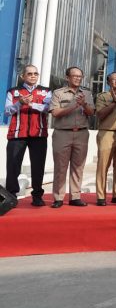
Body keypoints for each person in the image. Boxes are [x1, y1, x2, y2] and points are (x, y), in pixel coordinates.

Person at [4, 64, 51, 206]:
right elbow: (7, 111)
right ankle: (11, 196)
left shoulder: (46, 91)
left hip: (39, 134)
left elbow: (49, 108)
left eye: (35, 74)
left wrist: (32, 105)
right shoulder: (13, 92)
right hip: (17, 134)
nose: (33, 76)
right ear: (23, 76)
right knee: (13, 166)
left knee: (38, 166)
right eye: (29, 74)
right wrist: (19, 103)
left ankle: (37, 196)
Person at [49, 66, 95, 208]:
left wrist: (84, 104)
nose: (77, 79)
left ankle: (75, 196)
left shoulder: (86, 93)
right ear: (67, 77)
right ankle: (58, 197)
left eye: (80, 76)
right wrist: (73, 106)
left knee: (78, 167)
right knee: (60, 166)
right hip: (62, 133)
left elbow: (91, 112)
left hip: (81, 133)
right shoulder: (58, 93)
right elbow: (55, 113)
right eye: (74, 76)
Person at [94, 72, 116, 206]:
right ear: (108, 82)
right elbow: (100, 114)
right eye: (113, 79)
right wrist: (114, 101)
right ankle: (101, 196)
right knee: (103, 165)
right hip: (107, 133)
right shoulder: (103, 96)